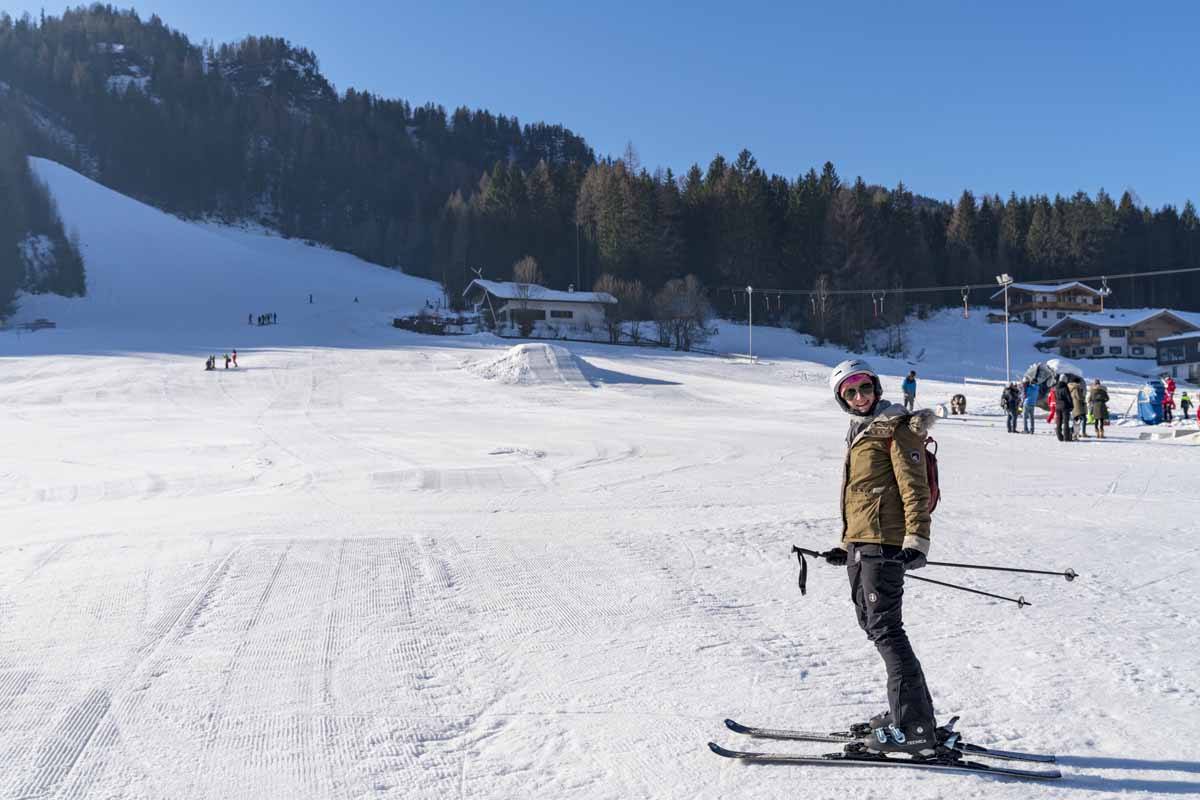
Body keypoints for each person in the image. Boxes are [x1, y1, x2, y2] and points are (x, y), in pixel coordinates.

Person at [820, 359, 939, 758]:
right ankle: (909, 713)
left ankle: (914, 726)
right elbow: (858, 492)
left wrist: (917, 538)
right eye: (849, 392)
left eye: (864, 388)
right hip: (863, 541)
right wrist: (846, 542)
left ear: (875, 387)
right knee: (872, 624)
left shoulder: (896, 426)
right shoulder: (860, 430)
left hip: (885, 544)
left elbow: (913, 485)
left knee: (887, 628)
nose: (859, 397)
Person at [1054, 376, 1073, 441]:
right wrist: (1071, 406)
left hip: (1057, 406)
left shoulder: (1056, 387)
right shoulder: (1065, 388)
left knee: (1058, 422)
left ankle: (1059, 437)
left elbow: (1055, 397)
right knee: (1066, 422)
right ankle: (1066, 438)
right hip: (1065, 407)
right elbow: (1069, 398)